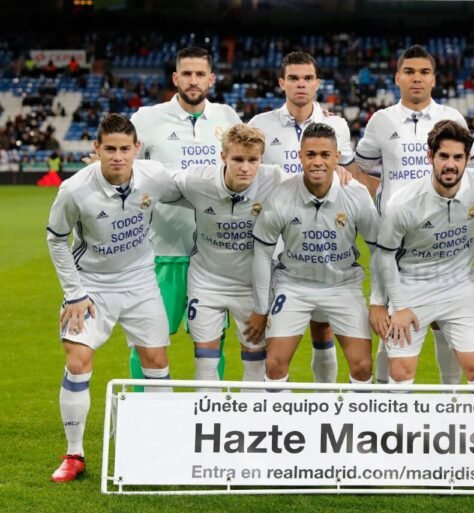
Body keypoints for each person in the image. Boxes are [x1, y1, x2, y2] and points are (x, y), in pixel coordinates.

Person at [46, 114, 182, 482]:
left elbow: (187, 190)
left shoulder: (153, 176)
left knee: (156, 360)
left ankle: (160, 446)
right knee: (78, 361)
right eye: (110, 149)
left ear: (137, 148)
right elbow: (56, 239)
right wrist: (74, 293)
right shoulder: (74, 190)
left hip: (140, 282)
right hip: (92, 287)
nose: (118, 156)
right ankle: (74, 454)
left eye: (125, 149)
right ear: (97, 149)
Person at [355, 45, 474, 385]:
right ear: (397, 77)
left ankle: (450, 397)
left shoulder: (452, 118)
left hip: (442, 237)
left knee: (445, 325)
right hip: (394, 240)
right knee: (390, 322)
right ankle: (386, 402)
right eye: (409, 72)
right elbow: (364, 167)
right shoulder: (381, 121)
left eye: (424, 72)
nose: (416, 78)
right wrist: (385, 202)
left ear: (434, 79)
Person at [247, 51, 375, 384]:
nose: (300, 84)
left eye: (307, 78)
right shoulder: (260, 125)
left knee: (324, 329)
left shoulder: (337, 125)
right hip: (280, 240)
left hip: (330, 234)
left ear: (317, 83)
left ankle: (325, 405)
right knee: (274, 350)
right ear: (281, 82)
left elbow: (346, 173)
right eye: (293, 78)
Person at [375, 119, 474, 386]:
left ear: (466, 160)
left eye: (457, 157)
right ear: (430, 156)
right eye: (444, 156)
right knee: (401, 372)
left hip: (459, 289)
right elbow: (384, 256)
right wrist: (399, 306)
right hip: (412, 289)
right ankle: (393, 428)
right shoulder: (403, 203)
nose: (450, 164)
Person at [130, 46, 241, 384]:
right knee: (148, 343)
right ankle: (143, 416)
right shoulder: (146, 119)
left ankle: (205, 418)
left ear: (211, 78)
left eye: (200, 74)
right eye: (187, 74)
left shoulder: (228, 118)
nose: (193, 81)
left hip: (213, 256)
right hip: (160, 252)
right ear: (175, 78)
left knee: (212, 343)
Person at [171, 124, 285, 389]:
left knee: (255, 362)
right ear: (223, 157)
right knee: (205, 361)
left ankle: (249, 425)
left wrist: (340, 174)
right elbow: (155, 183)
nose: (245, 167)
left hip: (252, 286)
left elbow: (313, 183)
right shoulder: (196, 180)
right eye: (237, 159)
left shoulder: (275, 178)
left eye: (252, 160)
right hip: (206, 281)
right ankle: (207, 426)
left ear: (261, 159)